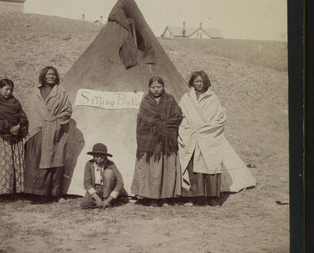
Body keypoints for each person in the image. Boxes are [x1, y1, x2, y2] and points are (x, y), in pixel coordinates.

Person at [131, 76, 183, 206]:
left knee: (167, 170)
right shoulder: (146, 102)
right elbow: (142, 121)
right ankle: (151, 197)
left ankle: (166, 197)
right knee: (152, 171)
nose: (156, 90)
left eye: (158, 87)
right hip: (151, 143)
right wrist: (160, 126)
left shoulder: (170, 99)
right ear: (149, 88)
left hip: (167, 143)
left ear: (163, 87)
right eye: (153, 87)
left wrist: (162, 126)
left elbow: (177, 117)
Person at [24, 66, 72, 201]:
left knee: (55, 161)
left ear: (56, 77)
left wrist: (54, 120)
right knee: (37, 160)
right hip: (38, 130)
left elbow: (68, 110)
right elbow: (32, 111)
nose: (50, 76)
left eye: (53, 74)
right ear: (43, 76)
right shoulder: (36, 92)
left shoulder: (61, 92)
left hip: (56, 132)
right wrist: (43, 122)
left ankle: (55, 194)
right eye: (48, 74)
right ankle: (36, 193)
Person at [178, 70, 225, 206]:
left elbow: (219, 117)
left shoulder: (212, 98)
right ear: (192, 82)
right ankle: (195, 196)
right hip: (192, 136)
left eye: (201, 81)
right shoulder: (186, 98)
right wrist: (189, 130)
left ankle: (211, 197)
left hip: (208, 137)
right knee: (193, 166)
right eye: (196, 81)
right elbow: (182, 116)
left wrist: (205, 130)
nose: (199, 84)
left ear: (206, 83)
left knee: (210, 165)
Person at [81, 143, 128, 209]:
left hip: (108, 189)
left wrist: (108, 199)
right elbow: (87, 182)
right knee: (85, 203)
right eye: (97, 156)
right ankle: (103, 203)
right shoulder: (89, 164)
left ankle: (107, 201)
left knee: (108, 173)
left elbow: (120, 181)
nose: (99, 158)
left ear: (106, 156)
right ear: (93, 156)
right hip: (95, 189)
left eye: (102, 156)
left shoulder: (111, 164)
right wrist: (97, 198)